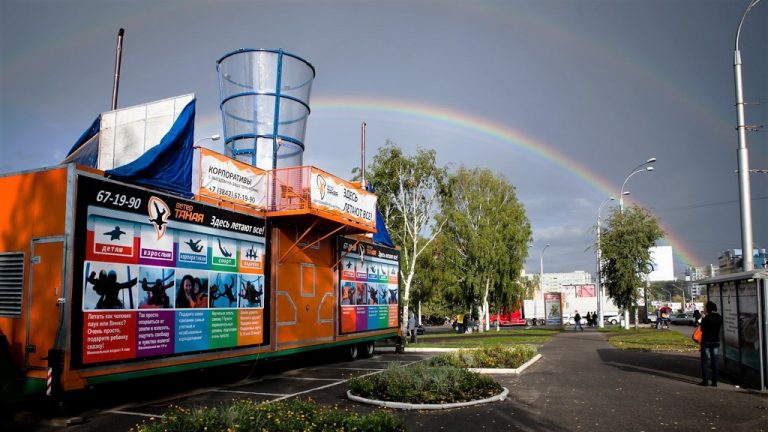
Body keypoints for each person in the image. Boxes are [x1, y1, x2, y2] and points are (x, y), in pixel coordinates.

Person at [699, 301, 722, 387]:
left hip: (706, 341)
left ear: (708, 309)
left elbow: (702, 329)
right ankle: (715, 381)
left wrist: (704, 318)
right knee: (714, 361)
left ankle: (705, 380)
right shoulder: (720, 318)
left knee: (704, 361)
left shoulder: (706, 318)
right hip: (716, 341)